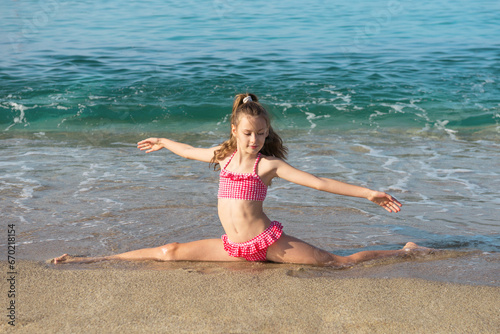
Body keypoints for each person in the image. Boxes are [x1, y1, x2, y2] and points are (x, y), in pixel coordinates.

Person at [52, 93, 434, 267]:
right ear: (235, 130)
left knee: (338, 262)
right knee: (168, 251)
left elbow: (318, 182)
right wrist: (165, 141)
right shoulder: (223, 157)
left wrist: (369, 193)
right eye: (249, 134)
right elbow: (189, 152)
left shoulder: (266, 166)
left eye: (262, 134)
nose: (256, 140)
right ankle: (87, 259)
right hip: (233, 248)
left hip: (267, 243)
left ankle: (406, 251)